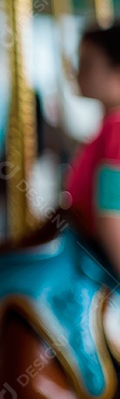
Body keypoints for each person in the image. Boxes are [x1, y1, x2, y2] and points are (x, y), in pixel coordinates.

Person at [68, 22, 120, 268]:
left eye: (88, 64)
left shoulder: (116, 127)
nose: (78, 73)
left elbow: (110, 213)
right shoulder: (107, 127)